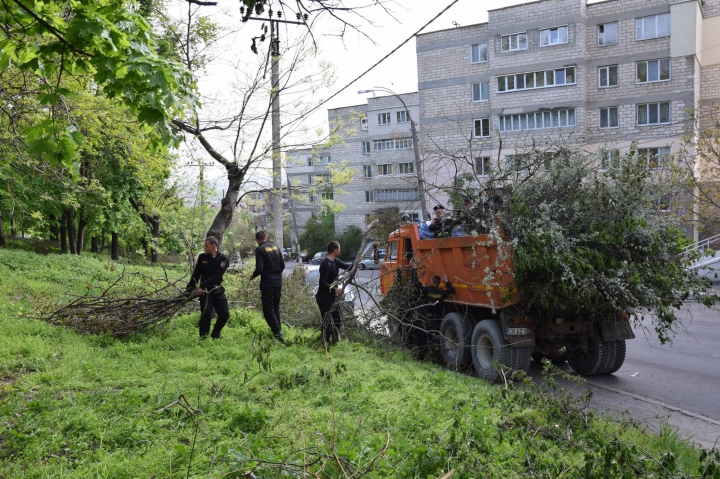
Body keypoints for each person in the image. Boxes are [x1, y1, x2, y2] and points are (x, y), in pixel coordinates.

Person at [187, 236, 231, 340]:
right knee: (206, 314)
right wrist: (189, 289)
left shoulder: (223, 259)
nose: (204, 247)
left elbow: (217, 276)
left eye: (206, 246)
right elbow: (196, 274)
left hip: (217, 290)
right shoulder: (202, 257)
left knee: (224, 314)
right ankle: (203, 337)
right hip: (205, 293)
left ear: (214, 246)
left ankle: (216, 333)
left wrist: (201, 286)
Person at [250, 230, 286, 344]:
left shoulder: (260, 249)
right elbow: (282, 265)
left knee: (268, 310)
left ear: (257, 240)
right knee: (275, 308)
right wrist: (276, 274)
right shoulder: (275, 247)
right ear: (265, 237)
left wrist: (253, 276)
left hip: (267, 283)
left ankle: (278, 335)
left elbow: (260, 268)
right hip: (278, 282)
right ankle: (278, 332)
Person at [316, 241, 352, 344]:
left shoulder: (336, 261)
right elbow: (322, 283)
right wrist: (335, 289)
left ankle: (335, 340)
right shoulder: (325, 264)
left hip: (332, 296)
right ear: (335, 250)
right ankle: (325, 341)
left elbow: (347, 267)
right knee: (327, 320)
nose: (340, 251)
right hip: (323, 297)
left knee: (337, 318)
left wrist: (358, 262)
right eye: (339, 249)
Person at [412, 274, 455, 360]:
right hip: (433, 321)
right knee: (430, 338)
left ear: (431, 281)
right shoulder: (441, 293)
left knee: (421, 339)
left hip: (423, 319)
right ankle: (431, 355)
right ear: (438, 283)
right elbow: (452, 290)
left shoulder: (426, 290)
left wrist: (414, 268)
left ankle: (422, 357)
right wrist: (446, 281)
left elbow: (415, 283)